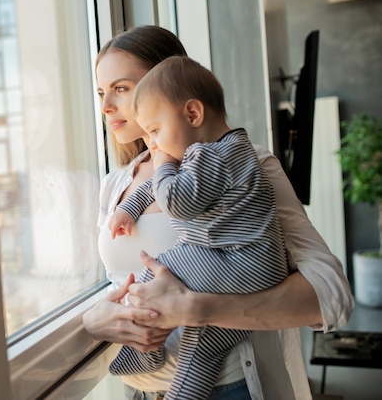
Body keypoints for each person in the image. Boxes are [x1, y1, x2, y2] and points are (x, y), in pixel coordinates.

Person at [83, 25, 354, 400]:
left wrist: (201, 309)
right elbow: (121, 286)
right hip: (141, 393)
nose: (106, 107)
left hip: (232, 389)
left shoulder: (246, 164)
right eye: (100, 92)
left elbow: (332, 293)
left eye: (122, 88)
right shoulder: (114, 187)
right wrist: (94, 322)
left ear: (167, 84)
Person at [107, 56, 289, 400]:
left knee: (159, 271)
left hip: (240, 262)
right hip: (256, 269)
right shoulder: (225, 151)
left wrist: (161, 162)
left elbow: (176, 199)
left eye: (156, 131)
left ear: (193, 114)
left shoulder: (212, 156)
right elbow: (161, 187)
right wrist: (130, 208)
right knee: (202, 347)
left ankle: (145, 350)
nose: (153, 145)